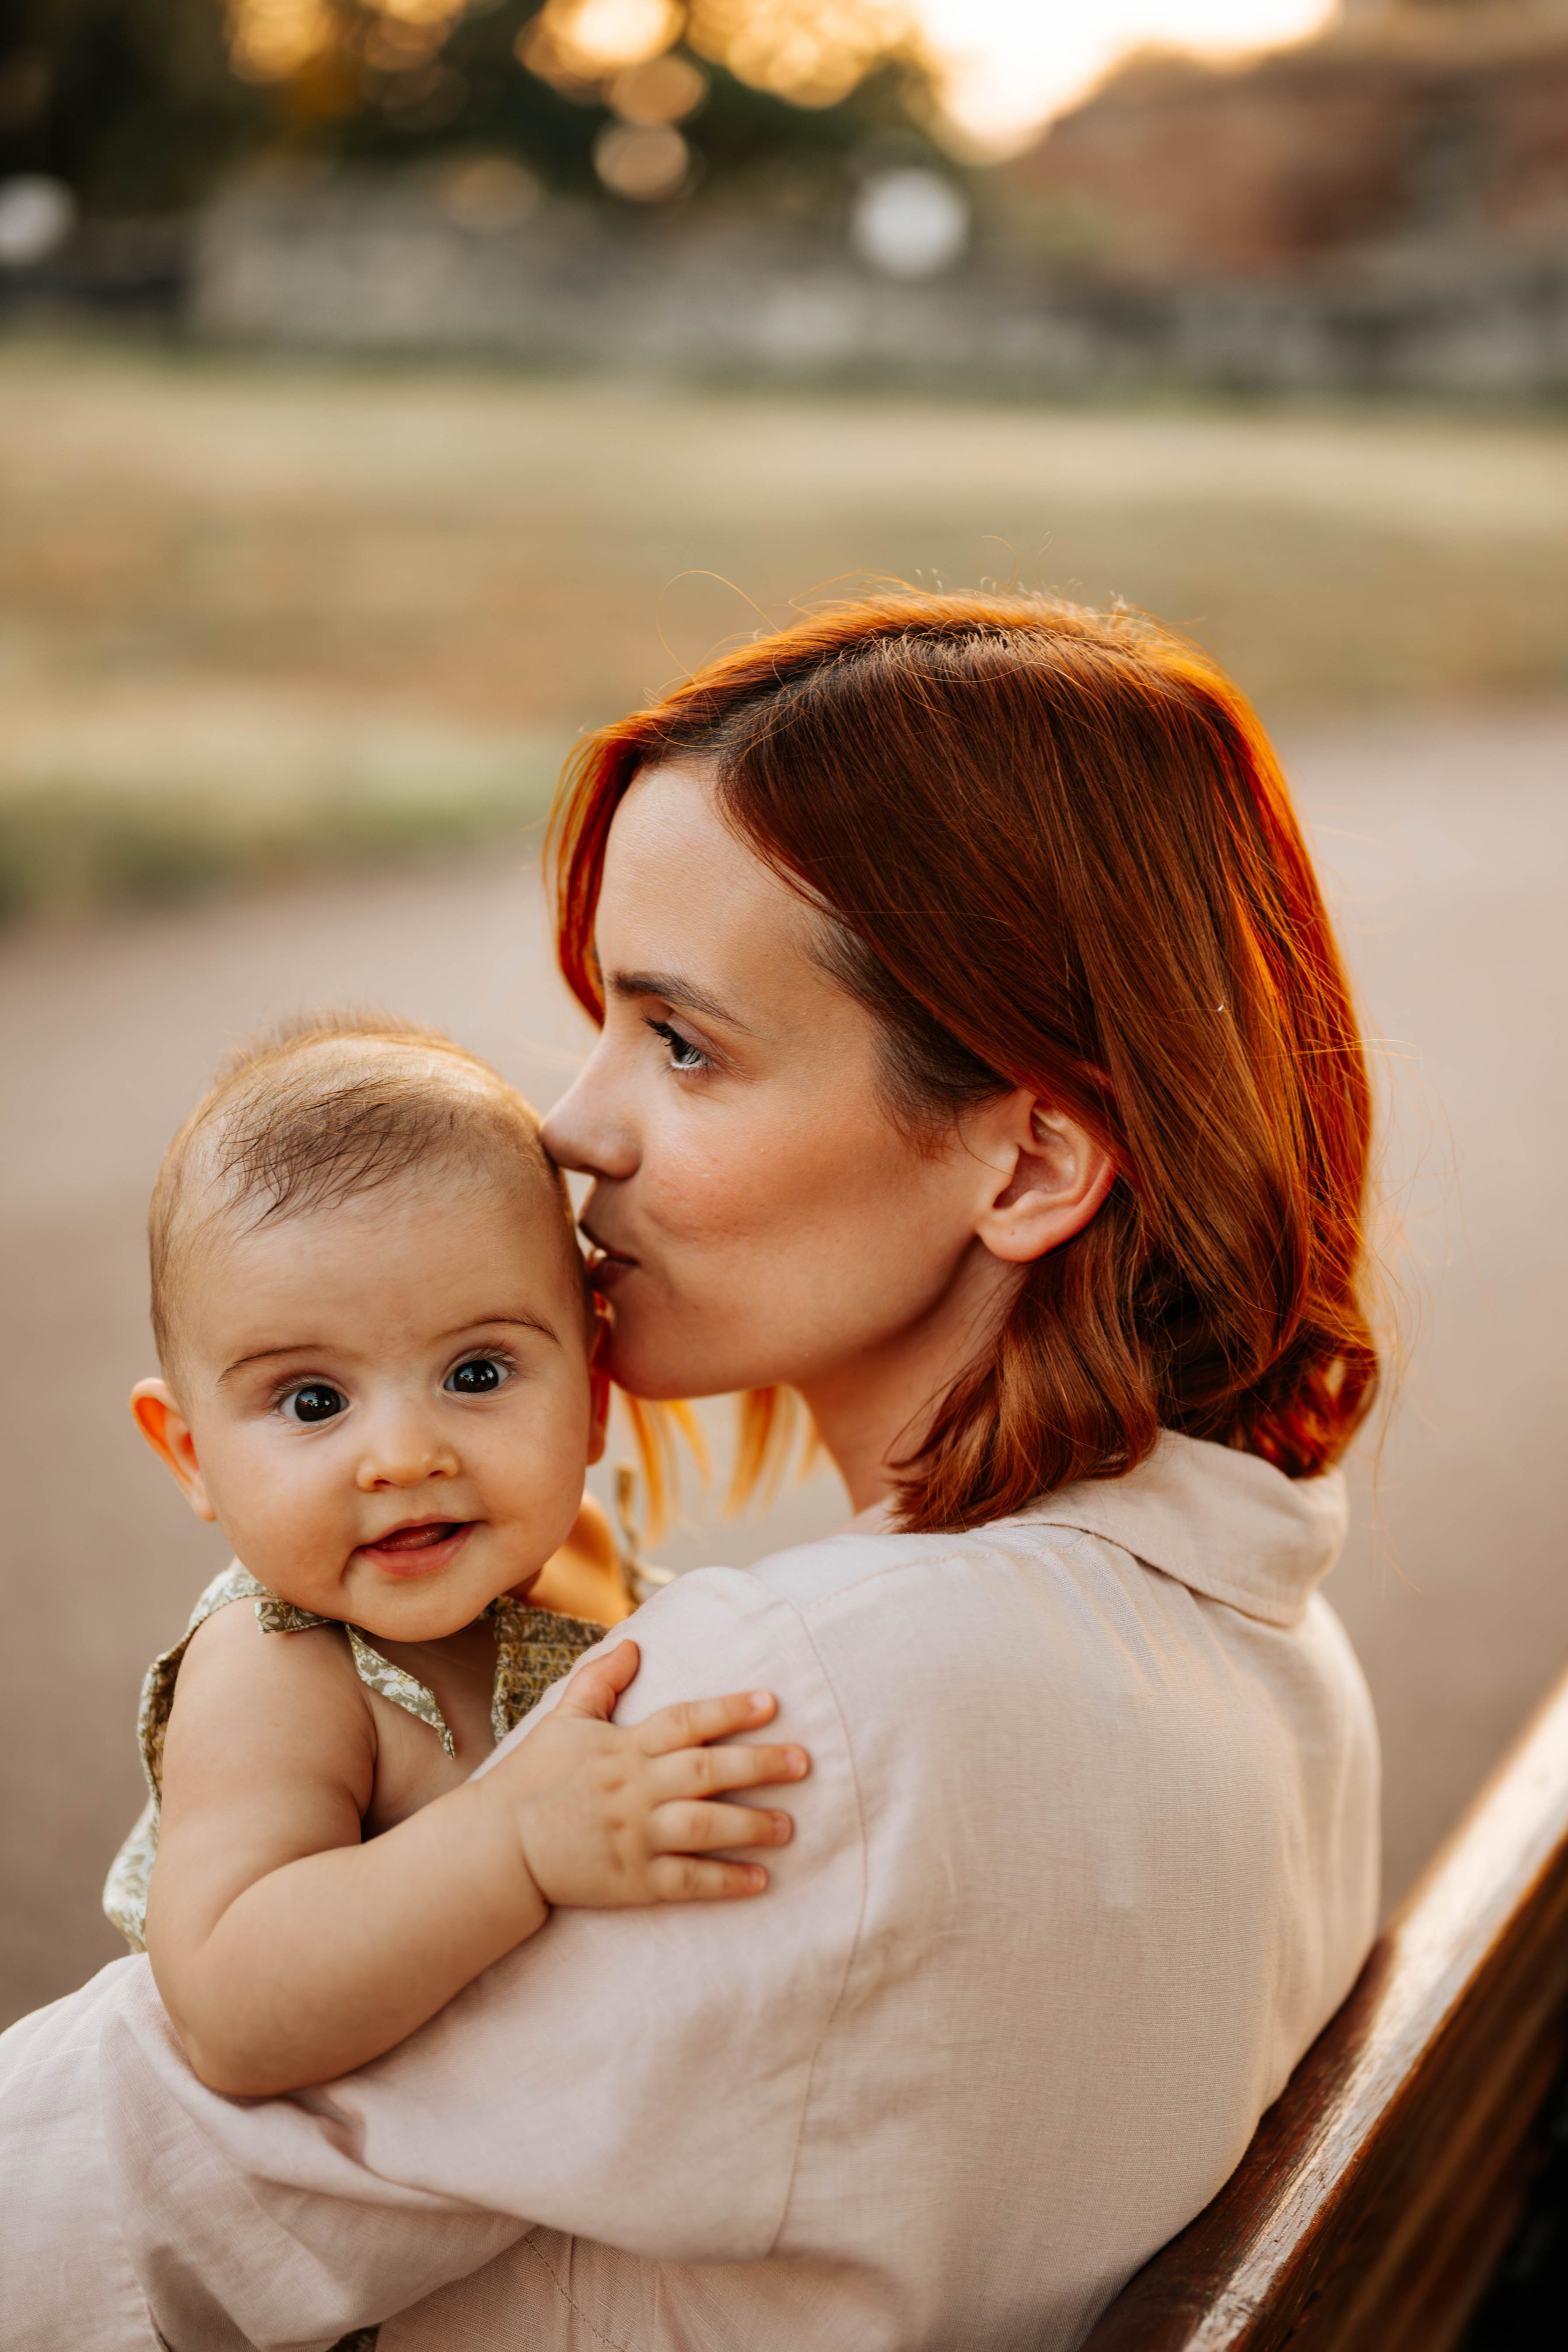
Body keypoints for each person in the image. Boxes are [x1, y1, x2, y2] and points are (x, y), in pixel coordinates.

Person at [0, 592, 1382, 2352]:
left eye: (684, 1043)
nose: (573, 1125)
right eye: (599, 1021)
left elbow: (95, 2214)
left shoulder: (796, 1712)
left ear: (1030, 1161)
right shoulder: (1263, 1637)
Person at [105, 1012, 806, 2099]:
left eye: (477, 1374)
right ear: (190, 1455)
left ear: (592, 1397)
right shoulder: (277, 1668)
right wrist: (512, 1841)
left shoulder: (581, 1555)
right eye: (312, 1400)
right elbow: (233, 2011)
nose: (401, 1456)